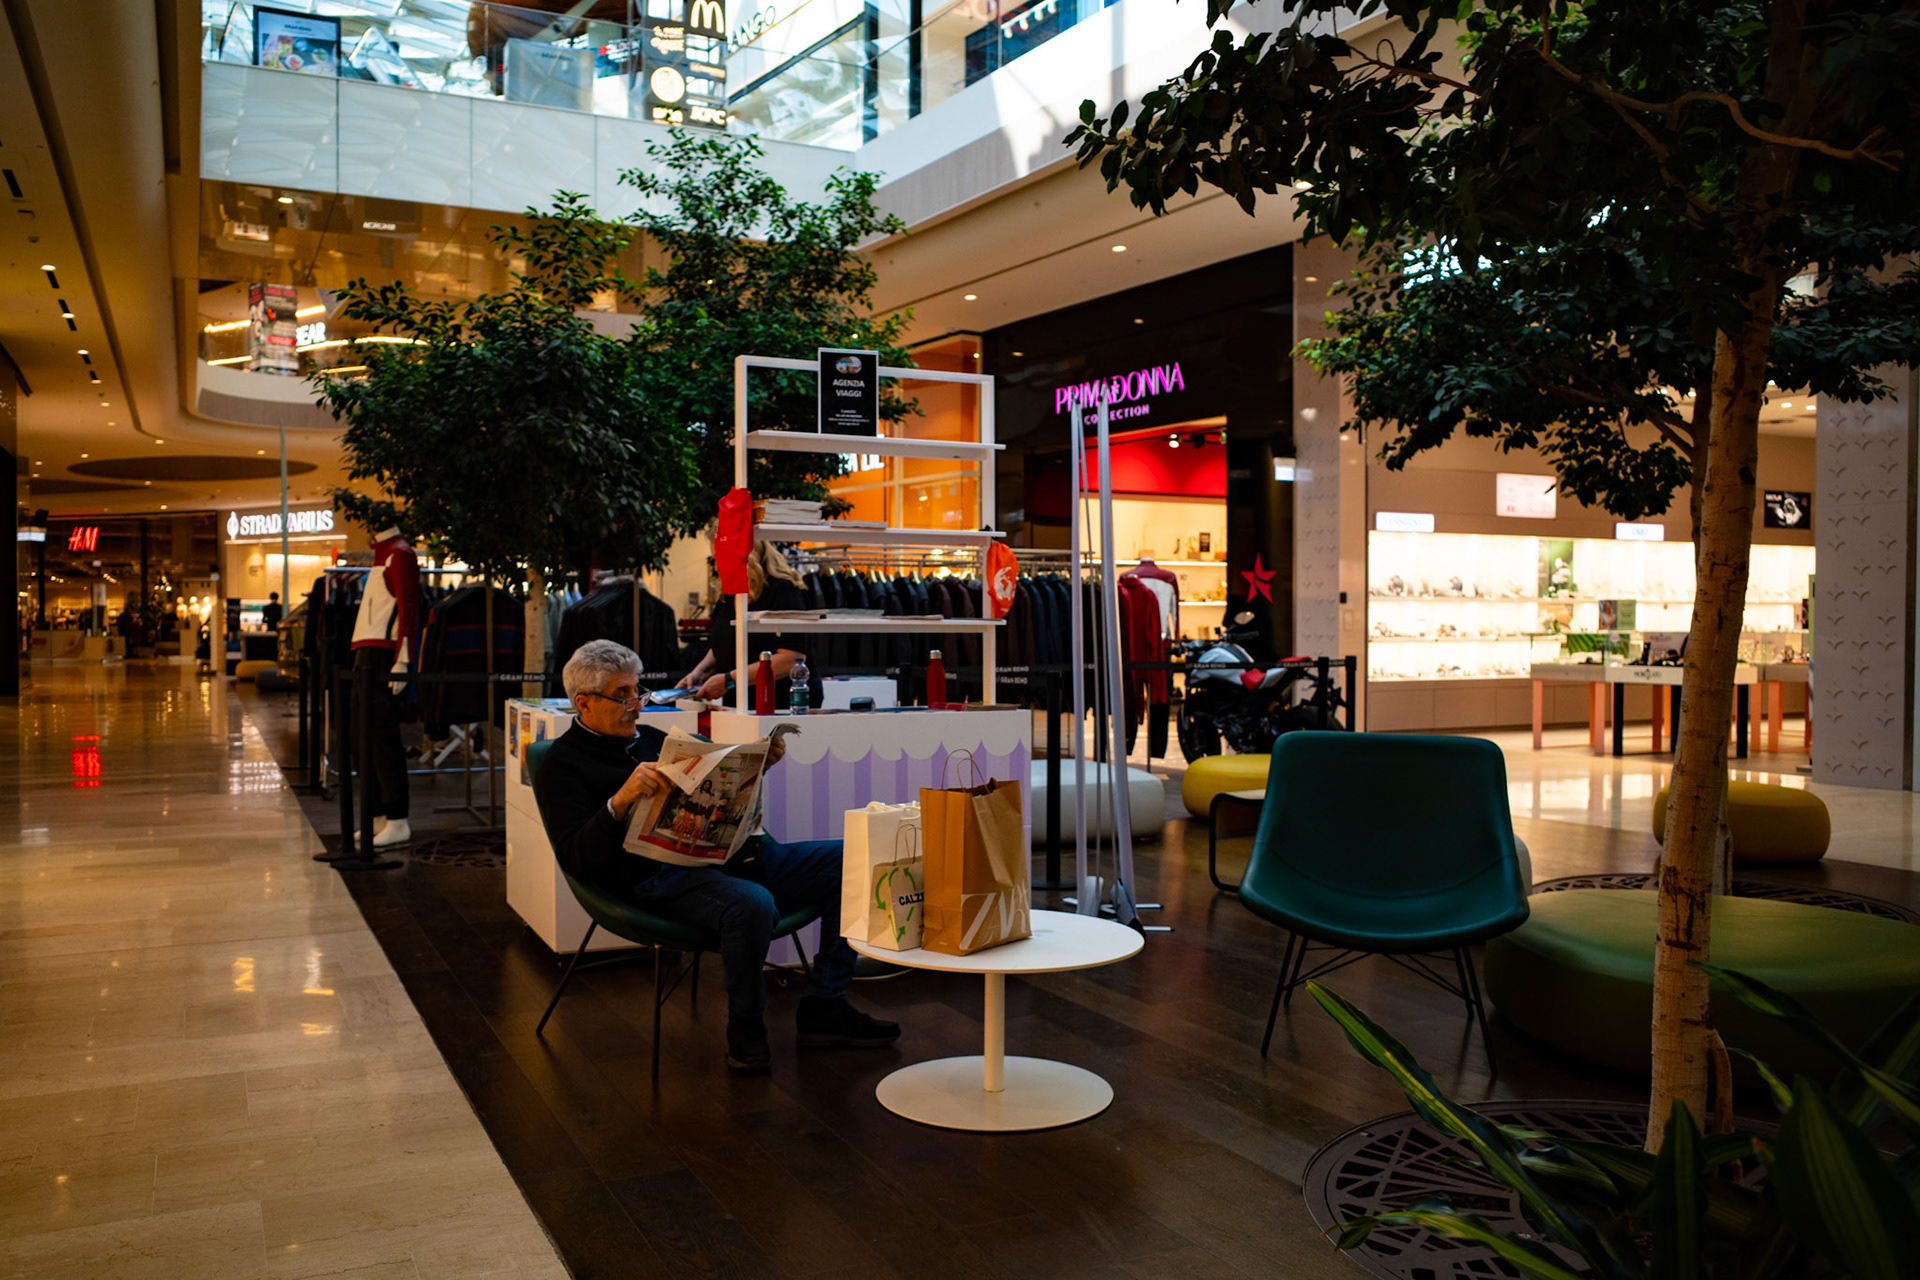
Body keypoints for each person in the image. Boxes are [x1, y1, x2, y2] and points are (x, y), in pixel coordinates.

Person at [534, 639, 898, 1073]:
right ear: (584, 703)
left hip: (727, 858)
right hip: (653, 881)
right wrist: (620, 801)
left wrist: (753, 768)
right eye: (623, 695)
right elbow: (576, 858)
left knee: (854, 857)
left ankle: (825, 1005)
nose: (636, 704)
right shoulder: (563, 764)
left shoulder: (653, 739)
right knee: (753, 904)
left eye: (638, 692)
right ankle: (745, 1026)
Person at [351, 527, 423, 849]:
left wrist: (402, 660)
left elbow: (409, 609)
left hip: (383, 654)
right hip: (366, 654)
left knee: (383, 738)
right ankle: (379, 813)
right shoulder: (383, 556)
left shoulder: (401, 554)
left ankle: (397, 817)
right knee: (363, 739)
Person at [680, 541, 819, 708]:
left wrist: (729, 680)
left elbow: (790, 659)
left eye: (722, 556)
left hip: (778, 703)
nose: (719, 563)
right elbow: (724, 642)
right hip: (739, 701)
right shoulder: (733, 593)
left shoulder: (783, 591)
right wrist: (699, 672)